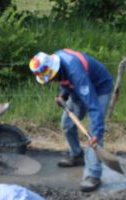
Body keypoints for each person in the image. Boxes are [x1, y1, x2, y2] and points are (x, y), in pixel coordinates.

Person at [29, 49, 114, 192]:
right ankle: (77, 155)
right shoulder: (56, 62)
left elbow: (93, 105)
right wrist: (63, 95)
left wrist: (97, 133)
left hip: (99, 88)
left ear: (53, 69)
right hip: (77, 88)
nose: (50, 80)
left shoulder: (76, 73)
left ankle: (93, 175)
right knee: (67, 123)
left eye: (50, 78)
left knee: (93, 133)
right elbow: (64, 79)